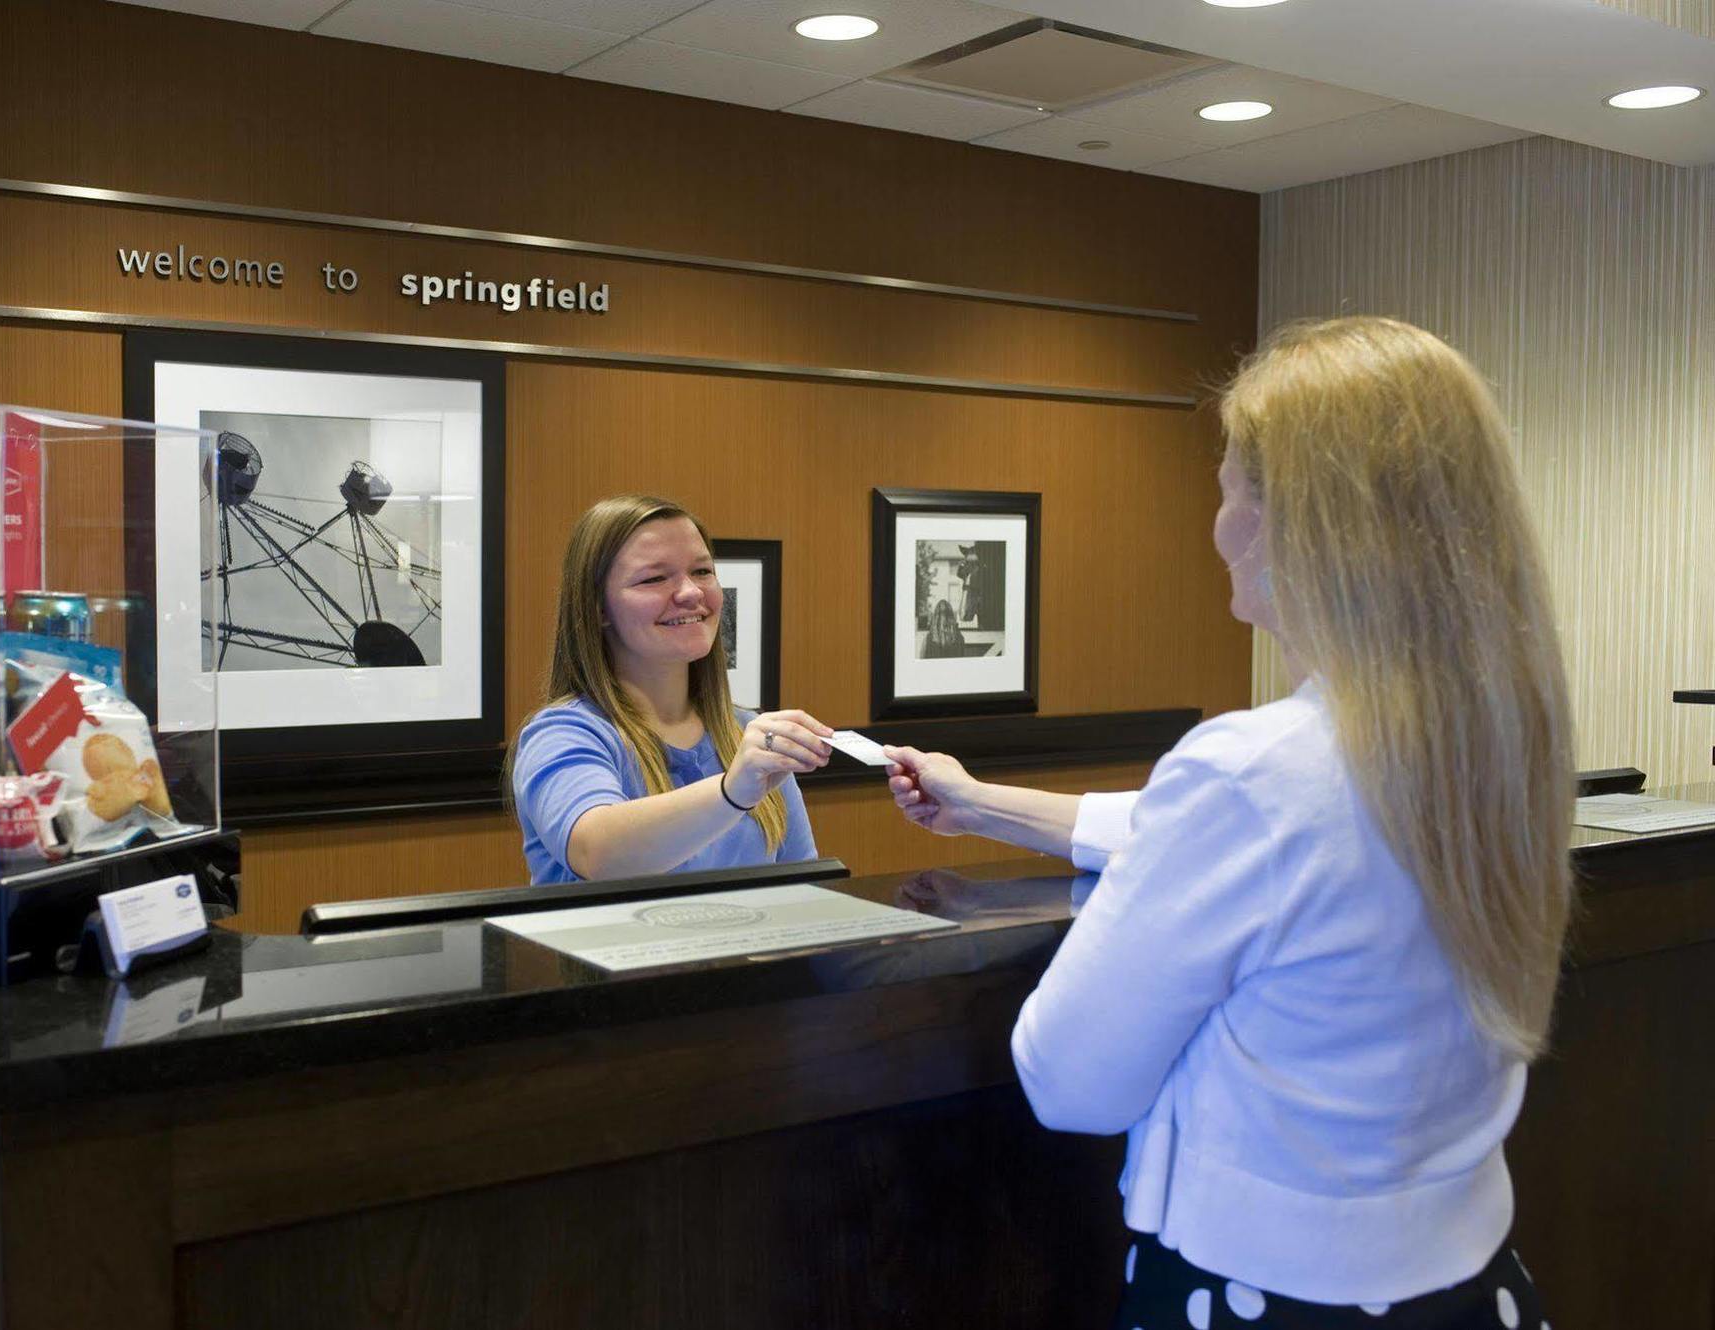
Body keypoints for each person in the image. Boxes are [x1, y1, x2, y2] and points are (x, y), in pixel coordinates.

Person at [886, 317, 1570, 1326]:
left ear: (1302, 522)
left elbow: (1069, 1078)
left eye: (1227, 487)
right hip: (1467, 1286)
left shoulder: (1250, 776)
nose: (1214, 521)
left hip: (1260, 1298)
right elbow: (1278, 842)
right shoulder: (1502, 746)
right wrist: (982, 801)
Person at [511, 495, 833, 884]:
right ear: (597, 608)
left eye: (702, 571)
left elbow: (806, 892)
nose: (691, 593)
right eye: (654, 578)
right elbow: (597, 854)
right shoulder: (563, 735)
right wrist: (732, 792)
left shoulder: (749, 735)